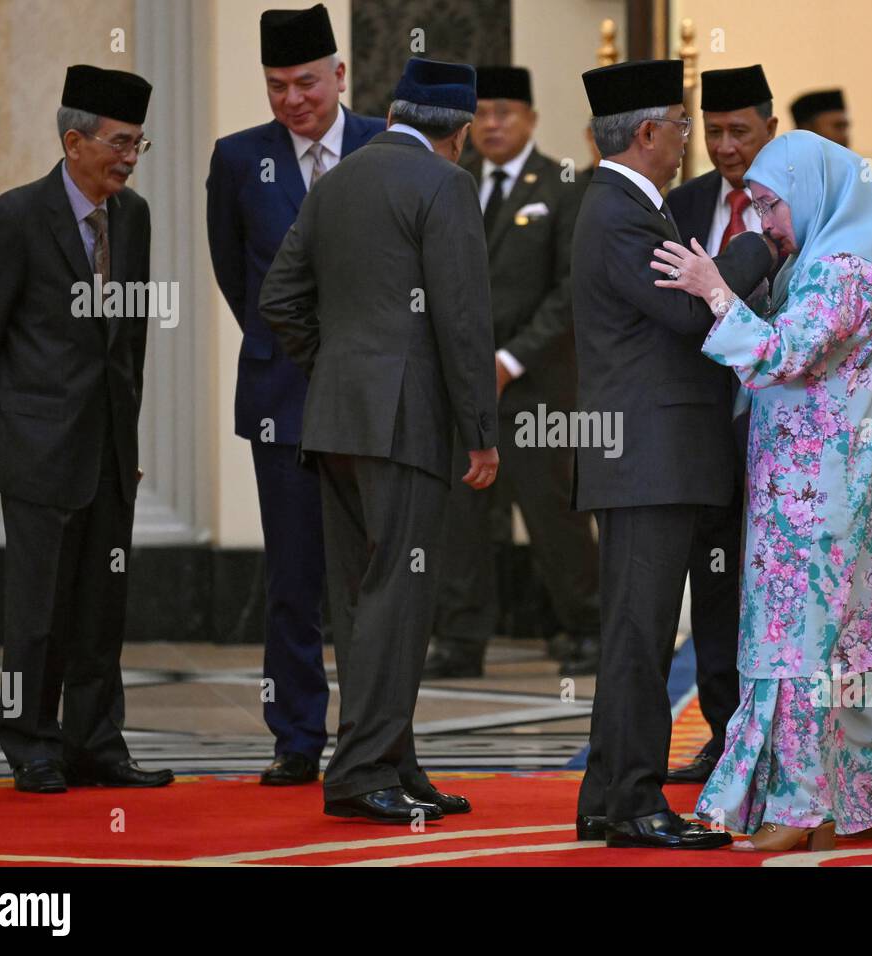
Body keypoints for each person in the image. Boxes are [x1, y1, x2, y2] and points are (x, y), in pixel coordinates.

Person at [653, 130, 872, 851]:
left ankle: (801, 807)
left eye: (772, 204)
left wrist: (714, 289)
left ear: (811, 193)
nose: (763, 222)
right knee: (851, 649)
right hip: (844, 493)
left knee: (797, 649)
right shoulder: (844, 264)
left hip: (813, 500)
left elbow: (781, 355)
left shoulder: (840, 274)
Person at [260, 57, 497, 824]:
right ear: (457, 132)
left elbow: (279, 298)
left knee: (362, 598)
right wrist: (482, 434)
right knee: (401, 594)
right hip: (407, 425)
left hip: (333, 423)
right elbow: (462, 321)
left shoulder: (335, 181)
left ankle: (391, 756)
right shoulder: (447, 185)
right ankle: (361, 770)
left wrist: (334, 370)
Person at [571, 59, 776, 850]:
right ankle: (633, 802)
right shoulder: (623, 213)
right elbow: (693, 318)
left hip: (651, 460)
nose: (694, 140)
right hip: (647, 460)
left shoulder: (627, 206)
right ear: (650, 132)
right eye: (686, 125)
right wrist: (760, 248)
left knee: (636, 633)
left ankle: (606, 795)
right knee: (640, 636)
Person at [0, 65, 172, 793]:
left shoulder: (133, 217)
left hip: (109, 448)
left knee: (102, 605)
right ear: (73, 141)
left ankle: (97, 741)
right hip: (37, 445)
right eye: (118, 143)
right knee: (38, 610)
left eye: (139, 144)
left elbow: (130, 340)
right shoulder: (15, 218)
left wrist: (130, 441)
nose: (130, 159)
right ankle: (32, 743)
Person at [206, 3, 384, 787]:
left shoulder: (387, 147)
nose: (292, 100)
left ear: (339, 75)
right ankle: (297, 737)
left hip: (376, 402)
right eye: (276, 86)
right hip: (282, 396)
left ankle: (377, 735)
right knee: (293, 579)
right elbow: (234, 273)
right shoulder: (241, 159)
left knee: (377, 577)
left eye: (306, 83)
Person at [425, 66, 601, 680]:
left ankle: (584, 626)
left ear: (529, 117)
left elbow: (570, 289)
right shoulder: (451, 181)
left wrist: (510, 358)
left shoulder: (562, 184)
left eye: (506, 112)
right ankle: (460, 639)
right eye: (485, 114)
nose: (494, 124)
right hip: (461, 385)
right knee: (460, 516)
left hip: (538, 385)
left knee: (553, 511)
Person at [663, 63, 777, 785]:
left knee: (770, 584)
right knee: (713, 579)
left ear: (771, 127)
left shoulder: (796, 201)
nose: (726, 145)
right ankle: (721, 728)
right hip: (703, 425)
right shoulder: (683, 201)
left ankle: (776, 734)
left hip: (779, 425)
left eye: (740, 131)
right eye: (712, 131)